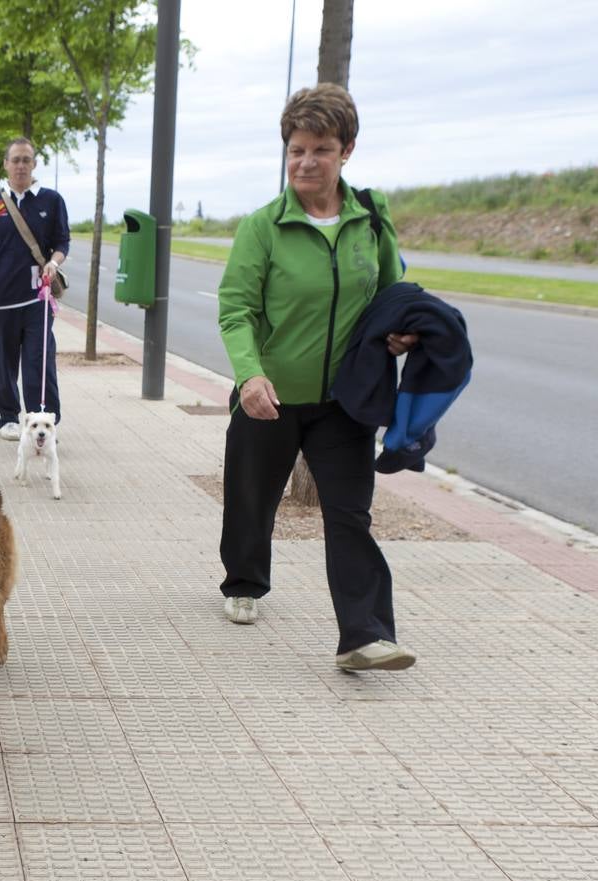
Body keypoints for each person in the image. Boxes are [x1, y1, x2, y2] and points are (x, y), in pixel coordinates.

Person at [217, 83, 416, 671]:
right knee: (251, 499)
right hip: (269, 395)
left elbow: (391, 293)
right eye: (296, 149)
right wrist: (249, 377)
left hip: (344, 399)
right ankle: (245, 583)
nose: (306, 161)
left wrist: (401, 333)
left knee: (350, 514)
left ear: (346, 150)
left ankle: (365, 635)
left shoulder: (370, 221)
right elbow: (236, 310)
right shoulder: (263, 227)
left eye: (321, 149)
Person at [0, 137, 69, 441]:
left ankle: (44, 419)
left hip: (38, 299)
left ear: (34, 164)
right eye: (16, 160)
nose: (21, 165)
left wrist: (53, 262)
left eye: (27, 159)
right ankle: (9, 416)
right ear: (6, 164)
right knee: (3, 358)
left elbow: (62, 242)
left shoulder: (51, 201)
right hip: (0, 299)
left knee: (40, 359)